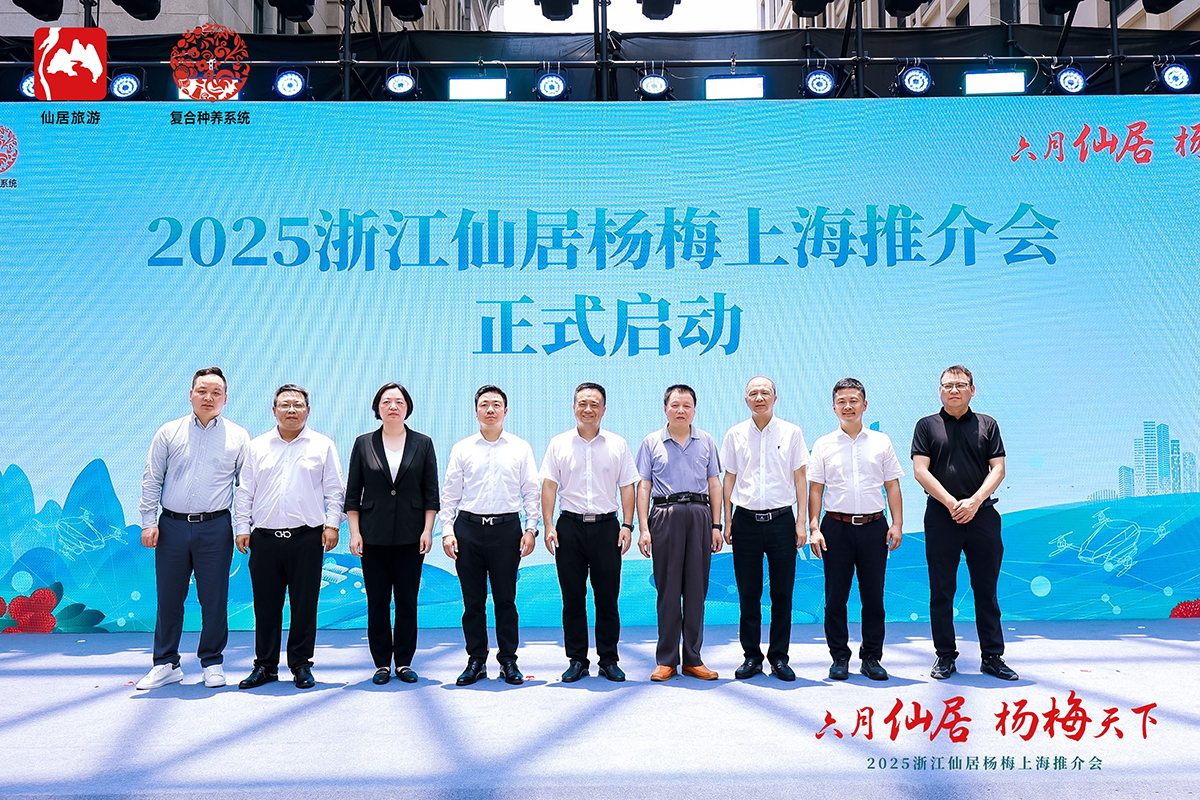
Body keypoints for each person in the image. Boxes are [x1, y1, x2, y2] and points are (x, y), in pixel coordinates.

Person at [136, 367, 250, 690]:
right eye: (202, 391)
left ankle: (212, 662)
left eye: (216, 393)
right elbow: (152, 478)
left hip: (215, 527)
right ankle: (166, 663)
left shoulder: (238, 436)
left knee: (214, 599)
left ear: (225, 398)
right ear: (190, 395)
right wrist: (148, 521)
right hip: (171, 526)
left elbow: (245, 487)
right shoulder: (168, 432)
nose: (208, 398)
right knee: (169, 598)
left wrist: (243, 526)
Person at [234, 384, 345, 690]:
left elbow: (335, 491)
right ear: (274, 411)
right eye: (285, 405)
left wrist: (332, 525)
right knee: (265, 606)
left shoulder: (322, 445)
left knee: (304, 604)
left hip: (307, 538)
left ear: (307, 410)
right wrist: (242, 527)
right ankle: (265, 666)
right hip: (264, 539)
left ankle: (301, 664)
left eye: (298, 405)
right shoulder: (257, 446)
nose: (291, 410)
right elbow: (245, 491)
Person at [911, 365, 1015, 681]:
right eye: (947, 385)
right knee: (941, 590)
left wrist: (974, 502)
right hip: (941, 517)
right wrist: (951, 503)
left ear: (972, 389)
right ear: (939, 391)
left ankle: (992, 657)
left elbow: (998, 469)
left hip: (982, 516)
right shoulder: (926, 426)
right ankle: (945, 656)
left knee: (986, 590)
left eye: (960, 385)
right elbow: (920, 470)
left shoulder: (987, 424)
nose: (953, 390)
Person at [441, 385, 540, 687]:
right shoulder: (462, 448)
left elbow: (531, 491)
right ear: (476, 411)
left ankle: (508, 661)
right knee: (473, 602)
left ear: (505, 411)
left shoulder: (520, 448)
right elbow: (450, 494)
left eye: (496, 404)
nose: (490, 409)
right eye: (484, 404)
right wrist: (447, 532)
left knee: (505, 600)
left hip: (507, 530)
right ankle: (476, 661)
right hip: (468, 530)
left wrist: (531, 528)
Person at [541, 382, 639, 683]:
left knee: (607, 598)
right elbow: (549, 486)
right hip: (568, 528)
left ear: (604, 409)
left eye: (594, 404)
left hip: (607, 528)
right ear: (574, 407)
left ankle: (608, 660)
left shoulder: (617, 444)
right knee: (572, 598)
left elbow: (627, 486)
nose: (588, 409)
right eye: (582, 403)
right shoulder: (558, 443)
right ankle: (577, 660)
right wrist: (548, 526)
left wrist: (627, 525)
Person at [807, 378, 903, 682]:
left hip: (875, 527)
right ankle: (839, 657)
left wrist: (897, 523)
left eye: (853, 400)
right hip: (835, 528)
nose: (848, 406)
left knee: (873, 596)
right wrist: (813, 527)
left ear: (865, 404)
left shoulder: (881, 441)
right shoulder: (823, 444)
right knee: (835, 597)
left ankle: (871, 657)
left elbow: (892, 485)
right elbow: (815, 489)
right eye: (841, 401)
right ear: (833, 407)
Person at [345, 383, 439, 686]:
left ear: (407, 407)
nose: (393, 406)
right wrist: (354, 533)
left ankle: (405, 662)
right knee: (378, 602)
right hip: (372, 536)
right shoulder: (364, 443)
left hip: (412, 536)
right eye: (386, 402)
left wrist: (428, 530)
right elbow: (353, 494)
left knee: (407, 601)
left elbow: (431, 493)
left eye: (399, 401)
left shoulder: (423, 443)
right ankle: (382, 663)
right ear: (378, 408)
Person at [720, 376, 808, 682]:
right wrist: (727, 520)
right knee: (749, 593)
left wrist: (801, 521)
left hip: (782, 521)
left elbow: (800, 478)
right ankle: (751, 657)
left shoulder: (791, 432)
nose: (759, 398)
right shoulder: (735, 434)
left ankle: (779, 657)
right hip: (745, 521)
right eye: (753, 393)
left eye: (765, 393)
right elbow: (729, 478)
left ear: (775, 397)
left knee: (782, 593)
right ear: (746, 400)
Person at [636, 385, 723, 682]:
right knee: (668, 591)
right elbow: (644, 486)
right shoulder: (651, 442)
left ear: (694, 410)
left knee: (697, 590)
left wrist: (716, 525)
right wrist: (644, 529)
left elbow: (714, 484)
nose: (681, 410)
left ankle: (693, 660)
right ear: (665, 409)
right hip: (665, 514)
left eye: (687, 405)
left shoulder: (706, 441)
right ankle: (666, 660)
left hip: (699, 515)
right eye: (675, 405)